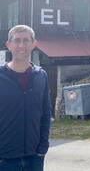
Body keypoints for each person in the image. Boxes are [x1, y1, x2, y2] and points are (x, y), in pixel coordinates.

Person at [0, 25, 51, 171]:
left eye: (26, 40)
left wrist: (43, 148)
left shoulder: (41, 76)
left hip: (34, 157)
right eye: (16, 41)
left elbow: (46, 114)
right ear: (9, 45)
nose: (21, 45)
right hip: (5, 159)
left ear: (33, 44)